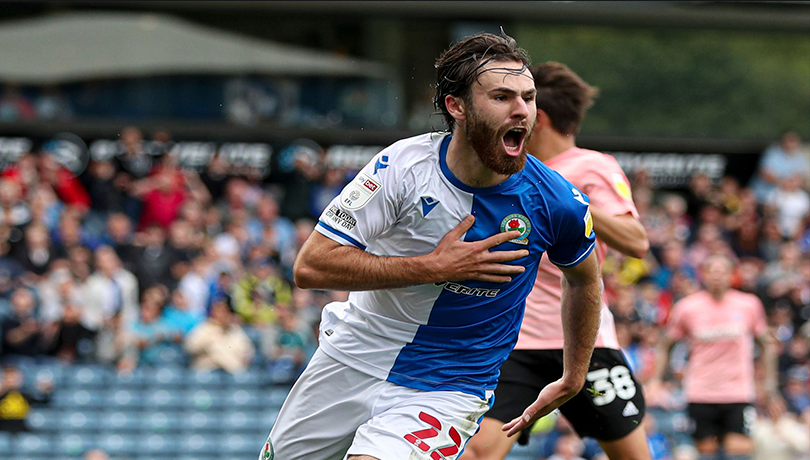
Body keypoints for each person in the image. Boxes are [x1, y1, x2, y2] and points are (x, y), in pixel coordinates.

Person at [261, 32, 603, 460]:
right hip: (353, 356)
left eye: (529, 97)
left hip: (448, 384)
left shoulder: (558, 202)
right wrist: (434, 267)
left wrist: (575, 374)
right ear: (456, 106)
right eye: (501, 96)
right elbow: (310, 267)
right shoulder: (401, 167)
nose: (522, 110)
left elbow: (585, 281)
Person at [463, 62, 651, 460]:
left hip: (583, 341)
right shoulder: (509, 172)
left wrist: (566, 198)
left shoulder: (590, 166)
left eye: (522, 105)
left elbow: (636, 241)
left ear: (539, 119)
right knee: (478, 451)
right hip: (516, 342)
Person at [653, 254, 779, 460]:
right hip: (701, 392)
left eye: (722, 271)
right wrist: (657, 380)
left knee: (738, 453)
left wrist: (769, 383)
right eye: (712, 271)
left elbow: (767, 344)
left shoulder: (748, 305)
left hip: (738, 393)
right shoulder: (687, 307)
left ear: (732, 275)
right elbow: (665, 344)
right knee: (707, 455)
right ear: (703, 275)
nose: (717, 276)